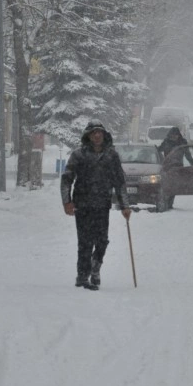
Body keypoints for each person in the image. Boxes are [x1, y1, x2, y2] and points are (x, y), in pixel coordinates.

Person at [61, 120, 131, 290]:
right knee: (84, 241)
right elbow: (66, 180)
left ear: (104, 135)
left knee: (102, 240)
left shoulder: (111, 156)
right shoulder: (78, 155)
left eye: (100, 132)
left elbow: (119, 182)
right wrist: (67, 202)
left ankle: (95, 266)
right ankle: (83, 275)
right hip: (83, 204)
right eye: (94, 133)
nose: (97, 135)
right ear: (88, 136)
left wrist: (125, 206)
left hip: (102, 204)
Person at [156, 126, 190, 209]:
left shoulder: (182, 142)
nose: (174, 137)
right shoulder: (166, 142)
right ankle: (166, 202)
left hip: (178, 167)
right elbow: (159, 150)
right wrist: (153, 150)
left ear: (179, 135)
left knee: (174, 186)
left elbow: (187, 154)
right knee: (167, 185)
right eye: (172, 135)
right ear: (170, 135)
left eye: (176, 135)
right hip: (167, 167)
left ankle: (170, 203)